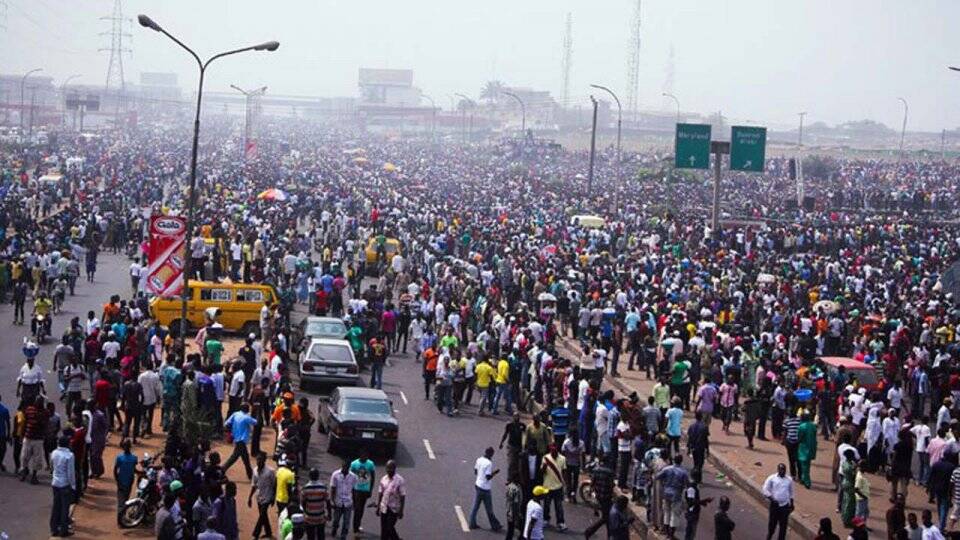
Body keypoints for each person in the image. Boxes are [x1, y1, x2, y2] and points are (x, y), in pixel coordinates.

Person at [656, 454, 690, 538]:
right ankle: (671, 535)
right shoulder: (683, 472)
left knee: (667, 512)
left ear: (673, 460)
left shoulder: (667, 469)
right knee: (674, 515)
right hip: (676, 495)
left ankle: (667, 532)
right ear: (681, 461)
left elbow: (657, 476)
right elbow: (687, 484)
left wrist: (665, 481)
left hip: (666, 493)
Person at [469, 446, 503, 531]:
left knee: (475, 506)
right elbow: (488, 477)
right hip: (485, 488)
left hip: (478, 485)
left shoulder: (479, 459)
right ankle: (495, 525)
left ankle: (471, 523)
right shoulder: (488, 463)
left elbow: (475, 471)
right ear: (491, 454)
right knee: (489, 508)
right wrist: (495, 472)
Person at [49, 435, 76, 537]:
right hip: (65, 484)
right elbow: (70, 473)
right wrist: (73, 486)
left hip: (55, 483)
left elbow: (51, 467)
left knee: (56, 506)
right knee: (65, 508)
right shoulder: (69, 455)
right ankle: (63, 530)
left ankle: (53, 528)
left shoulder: (54, 453)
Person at [222, 403, 256, 480]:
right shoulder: (246, 417)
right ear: (247, 410)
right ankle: (222, 469)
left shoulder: (235, 414)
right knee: (238, 458)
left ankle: (250, 474)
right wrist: (256, 411)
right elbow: (256, 422)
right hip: (242, 440)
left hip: (236, 438)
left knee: (242, 458)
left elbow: (226, 423)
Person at [761, 463, 794, 540]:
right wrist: (772, 499)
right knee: (772, 525)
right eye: (781, 469)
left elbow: (791, 492)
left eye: (784, 470)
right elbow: (765, 489)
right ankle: (769, 536)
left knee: (783, 527)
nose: (782, 471)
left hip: (784, 506)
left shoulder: (789, 480)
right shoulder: (772, 478)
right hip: (775, 506)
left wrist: (792, 504)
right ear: (778, 470)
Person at [248, 452, 276, 540]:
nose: (258, 461)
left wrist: (273, 497)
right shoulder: (255, 470)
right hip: (259, 496)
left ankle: (255, 534)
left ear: (264, 460)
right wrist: (250, 497)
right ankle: (268, 532)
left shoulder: (270, 471)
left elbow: (274, 484)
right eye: (258, 460)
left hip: (268, 496)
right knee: (263, 515)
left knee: (262, 515)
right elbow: (254, 484)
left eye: (260, 460)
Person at [376, 459, 405, 540]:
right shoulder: (383, 479)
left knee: (389, 527)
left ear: (395, 468)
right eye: (388, 468)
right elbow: (380, 493)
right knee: (383, 529)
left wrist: (401, 510)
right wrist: (378, 507)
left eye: (391, 468)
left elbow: (403, 495)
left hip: (394, 508)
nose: (389, 470)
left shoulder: (399, 480)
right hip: (384, 507)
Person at [539, 443, 566, 531]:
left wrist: (564, 483)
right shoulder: (545, 458)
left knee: (559, 506)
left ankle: (560, 522)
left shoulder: (562, 459)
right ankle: (546, 519)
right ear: (550, 450)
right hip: (547, 486)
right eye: (552, 451)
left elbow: (564, 471)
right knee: (547, 505)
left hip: (558, 486)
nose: (553, 453)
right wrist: (544, 466)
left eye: (555, 451)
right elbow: (542, 472)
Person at [349, 450, 376, 534]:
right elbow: (350, 477)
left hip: (365, 490)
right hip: (356, 490)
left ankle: (357, 525)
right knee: (357, 509)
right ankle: (355, 528)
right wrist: (351, 490)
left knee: (361, 509)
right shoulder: (354, 464)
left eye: (366, 455)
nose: (365, 457)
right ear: (360, 455)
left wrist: (370, 490)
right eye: (363, 455)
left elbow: (373, 477)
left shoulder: (370, 464)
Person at [329, 459, 357, 540]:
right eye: (344, 466)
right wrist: (332, 500)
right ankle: (334, 528)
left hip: (348, 502)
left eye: (346, 467)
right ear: (342, 465)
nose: (345, 468)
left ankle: (343, 536)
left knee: (346, 522)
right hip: (338, 502)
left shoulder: (353, 477)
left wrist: (354, 503)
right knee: (336, 520)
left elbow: (354, 490)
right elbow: (333, 488)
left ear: (349, 467)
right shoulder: (335, 474)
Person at [300, 467, 331, 540]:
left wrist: (305, 512)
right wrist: (329, 514)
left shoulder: (305, 488)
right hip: (320, 517)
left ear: (309, 476)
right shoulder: (323, 487)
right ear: (318, 476)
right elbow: (328, 501)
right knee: (321, 535)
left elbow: (303, 502)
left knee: (310, 536)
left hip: (309, 517)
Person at [114, 438, 138, 525]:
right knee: (123, 502)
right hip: (127, 481)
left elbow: (116, 470)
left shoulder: (120, 457)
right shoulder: (133, 458)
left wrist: (117, 480)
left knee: (123, 501)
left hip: (124, 481)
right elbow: (134, 470)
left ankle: (121, 519)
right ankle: (121, 520)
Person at [797, 412, 818, 489]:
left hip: (804, 447)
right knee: (807, 465)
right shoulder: (813, 426)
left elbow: (799, 437)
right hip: (812, 446)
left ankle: (807, 482)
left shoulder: (802, 426)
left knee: (804, 465)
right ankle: (803, 478)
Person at [504, 471, 524, 540]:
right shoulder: (515, 489)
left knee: (510, 531)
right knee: (519, 530)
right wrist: (518, 514)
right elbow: (515, 503)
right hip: (513, 513)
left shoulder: (510, 486)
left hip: (509, 511)